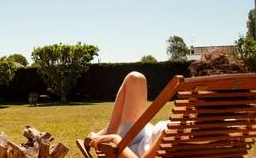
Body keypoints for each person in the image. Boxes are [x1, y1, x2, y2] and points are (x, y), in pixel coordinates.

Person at [87, 50, 247, 158]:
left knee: (135, 78)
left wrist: (115, 140)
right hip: (148, 133)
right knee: (136, 79)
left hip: (132, 143)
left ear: (197, 97)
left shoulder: (172, 133)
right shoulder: (235, 136)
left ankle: (109, 131)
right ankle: (109, 130)